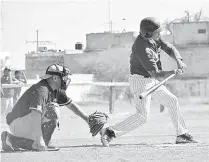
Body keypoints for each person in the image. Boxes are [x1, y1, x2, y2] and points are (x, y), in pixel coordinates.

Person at [100, 17, 197, 147]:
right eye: (157, 32)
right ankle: (110, 132)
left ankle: (182, 134)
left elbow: (169, 48)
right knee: (142, 116)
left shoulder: (153, 38)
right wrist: (173, 71)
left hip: (152, 80)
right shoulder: (142, 48)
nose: (159, 34)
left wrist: (179, 61)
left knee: (172, 101)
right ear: (147, 33)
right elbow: (156, 73)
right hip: (140, 81)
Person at [1, 64, 92, 151]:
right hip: (17, 123)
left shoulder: (56, 90)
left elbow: (71, 105)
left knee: (51, 109)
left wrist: (87, 119)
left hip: (24, 121)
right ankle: (40, 142)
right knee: (52, 109)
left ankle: (10, 139)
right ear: (55, 78)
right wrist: (39, 138)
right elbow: (35, 114)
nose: (65, 79)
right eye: (63, 76)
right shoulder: (42, 89)